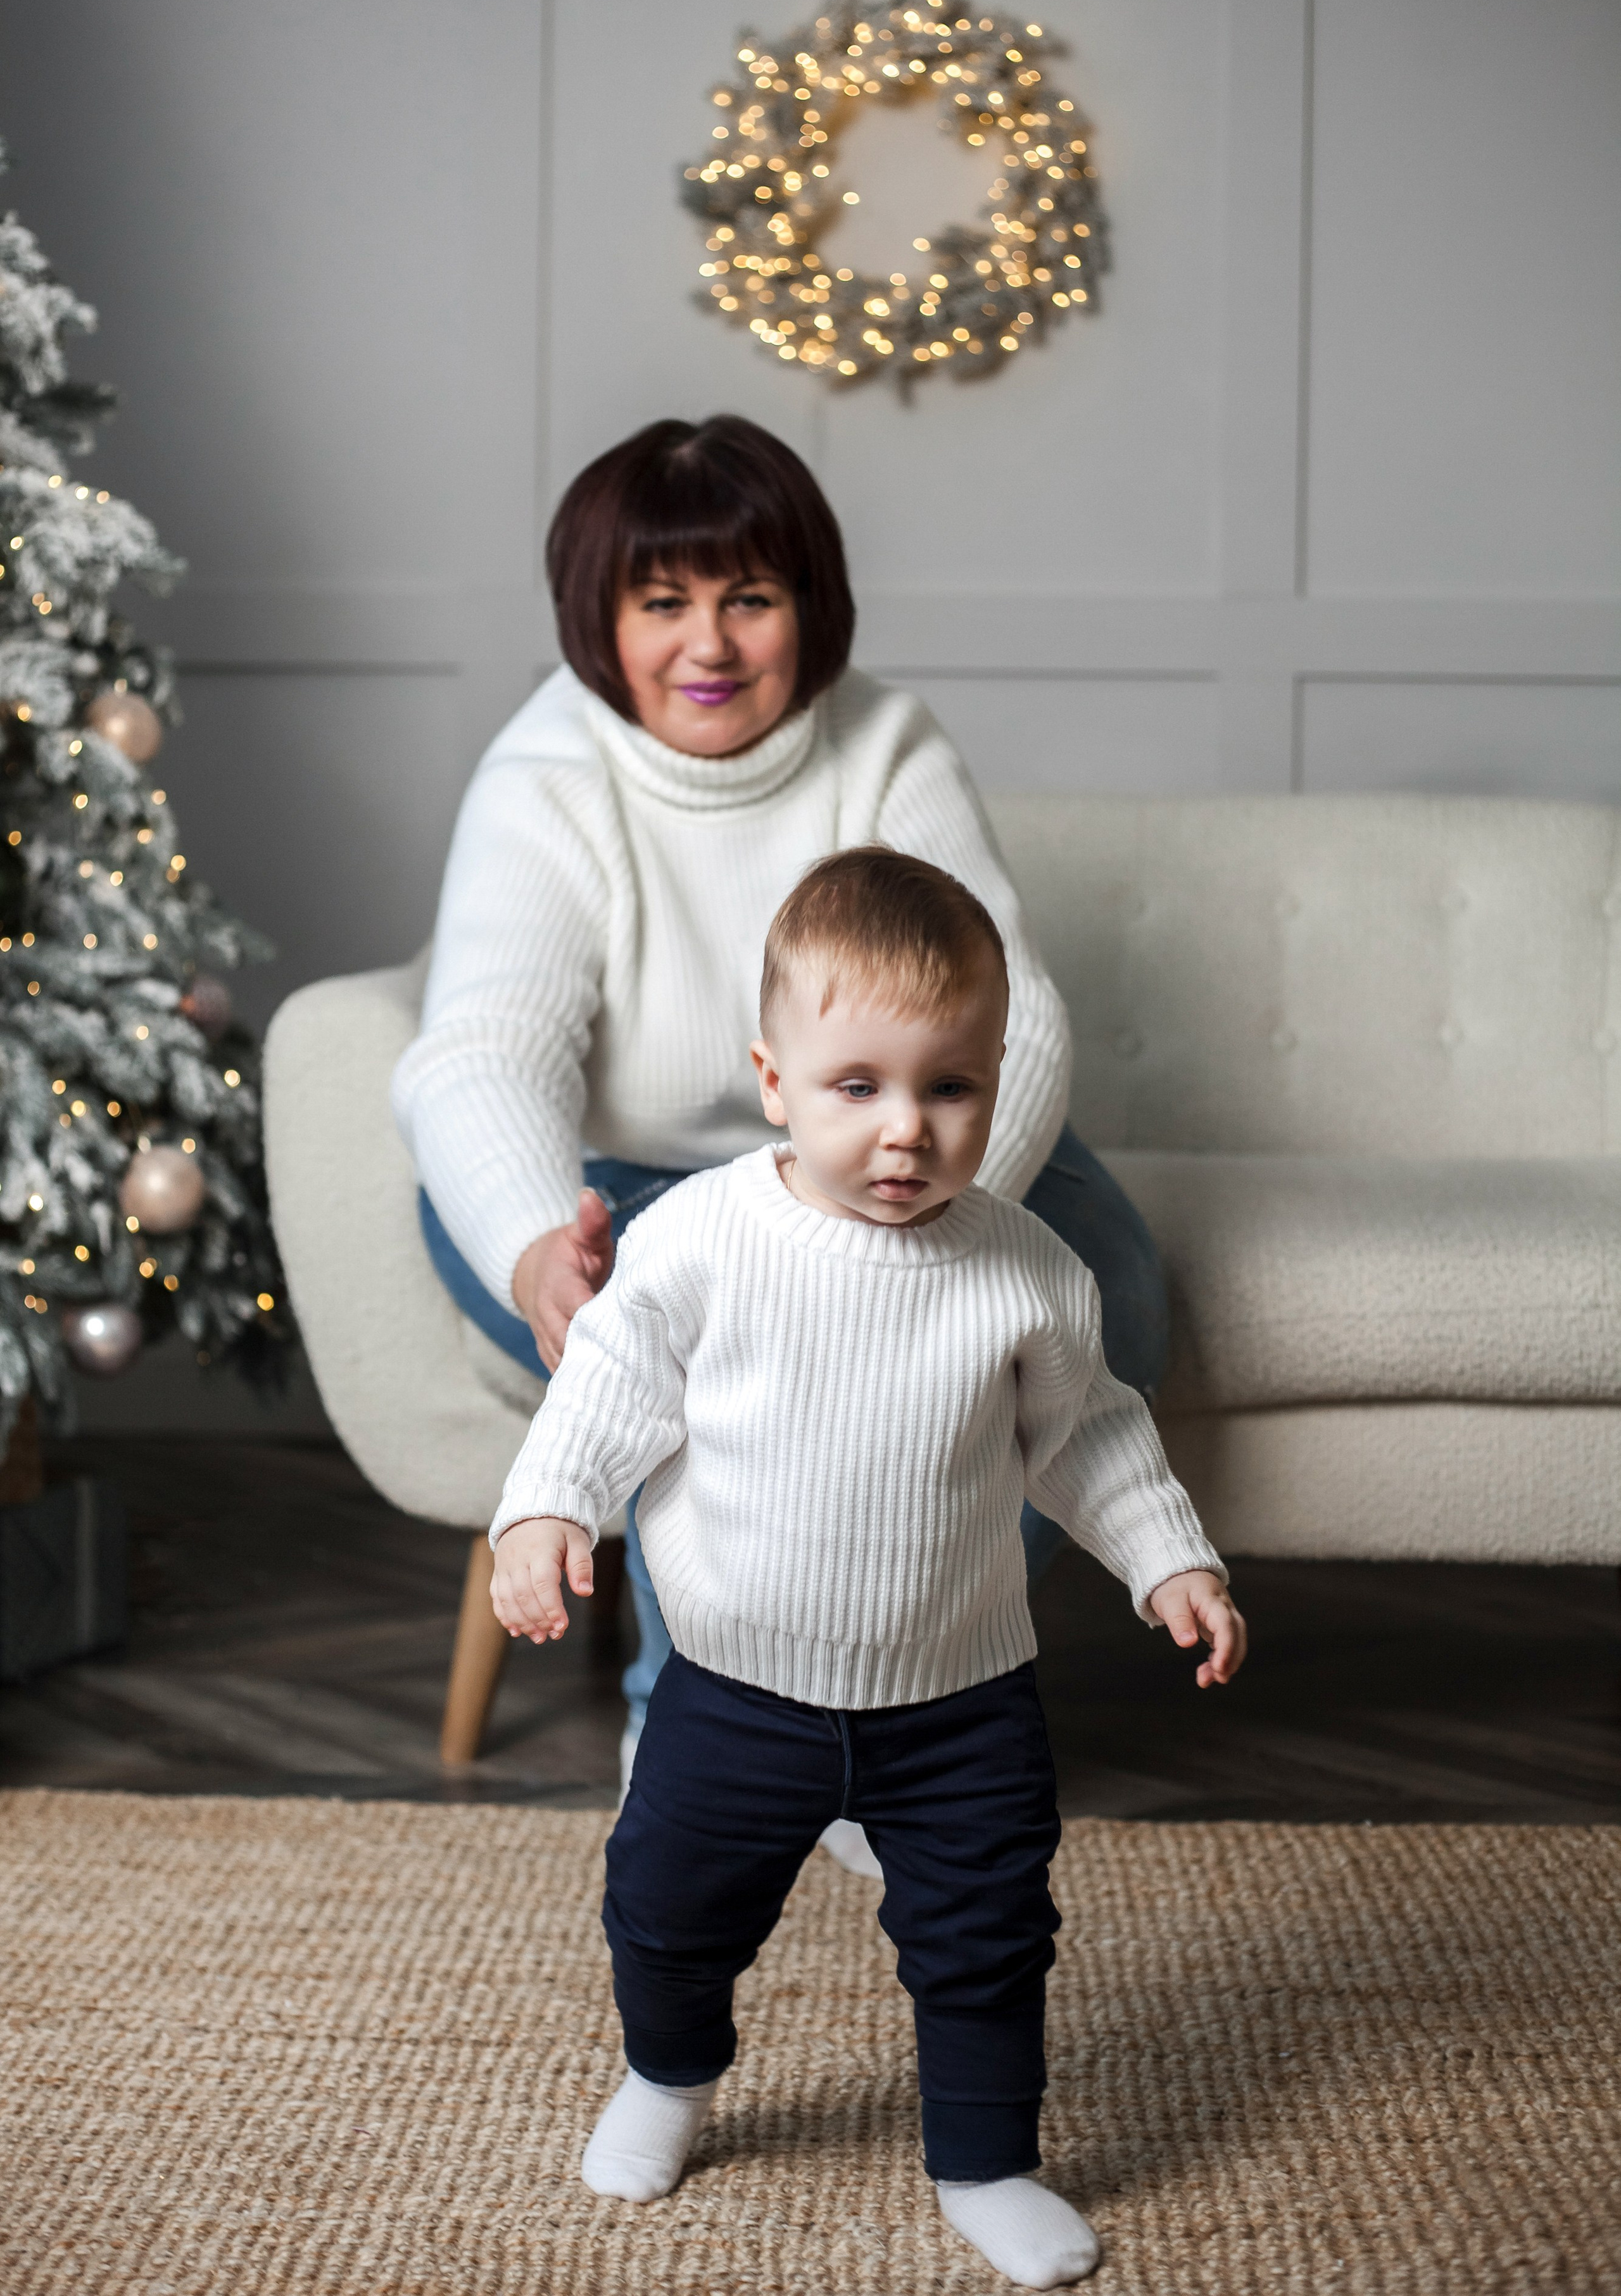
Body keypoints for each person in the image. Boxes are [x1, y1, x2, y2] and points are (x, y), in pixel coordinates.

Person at [391, 414, 1170, 1855]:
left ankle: (895, 1705)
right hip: (613, 1176)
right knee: (700, 1349)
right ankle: (698, 1712)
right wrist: (532, 1259)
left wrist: (929, 1232)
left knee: (1111, 1293)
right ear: (598, 617)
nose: (710, 645)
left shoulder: (886, 743)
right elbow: (478, 1055)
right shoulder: (547, 774)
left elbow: (1024, 1015)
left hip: (895, 1139)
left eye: (748, 597)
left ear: (808, 606)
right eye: (661, 602)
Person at [488, 848, 1246, 2290]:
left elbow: (1086, 1437)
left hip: (958, 1704)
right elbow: (605, 1389)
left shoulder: (1024, 1273)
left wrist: (1167, 1560)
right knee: (665, 1904)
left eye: (947, 1089)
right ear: (773, 1080)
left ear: (993, 1086)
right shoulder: (703, 1240)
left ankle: (985, 2160)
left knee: (986, 1939)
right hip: (734, 1694)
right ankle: (668, 2076)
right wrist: (544, 1515)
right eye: (857, 1087)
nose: (904, 1131)